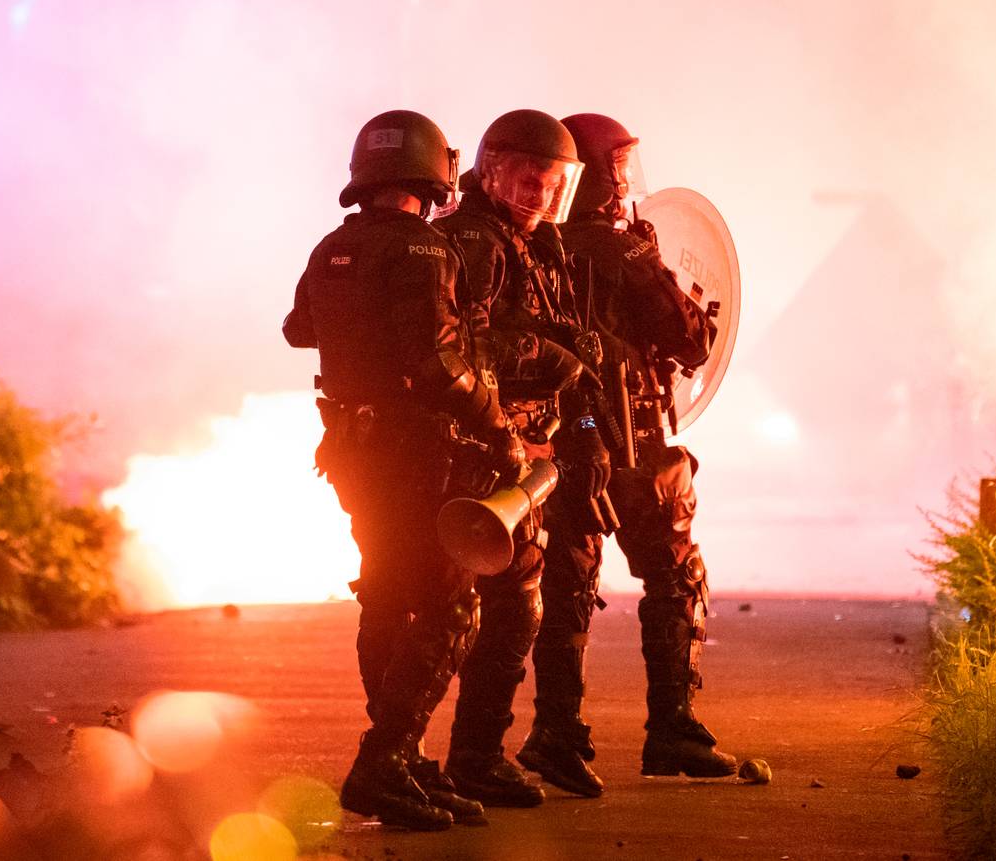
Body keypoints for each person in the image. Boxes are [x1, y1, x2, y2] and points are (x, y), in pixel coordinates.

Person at [283, 110, 522, 832]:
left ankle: (407, 757)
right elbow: (440, 363)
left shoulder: (332, 246)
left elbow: (299, 329)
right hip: (418, 451)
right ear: (432, 175)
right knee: (452, 605)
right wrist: (501, 427)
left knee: (386, 596)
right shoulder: (425, 247)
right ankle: (383, 759)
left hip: (352, 451)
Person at [515, 113, 737, 798]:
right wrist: (652, 262)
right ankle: (672, 726)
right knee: (675, 576)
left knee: (566, 590)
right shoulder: (622, 252)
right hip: (632, 442)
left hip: (564, 445)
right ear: (602, 175)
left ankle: (557, 733)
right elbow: (691, 337)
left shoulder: (536, 246)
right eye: (621, 167)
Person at [433, 110, 607, 807]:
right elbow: (462, 346)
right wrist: (551, 360)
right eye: (528, 176)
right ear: (493, 168)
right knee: (453, 608)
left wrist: (580, 426)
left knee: (514, 606)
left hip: (526, 448)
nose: (540, 191)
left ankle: (472, 755)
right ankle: (443, 757)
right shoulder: (473, 239)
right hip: (478, 447)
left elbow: (564, 353)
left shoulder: (544, 246)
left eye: (553, 181)